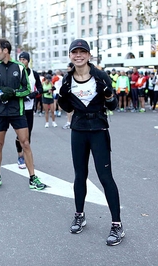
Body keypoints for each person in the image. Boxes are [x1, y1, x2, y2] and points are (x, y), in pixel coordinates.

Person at [58, 39, 125, 246]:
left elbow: (112, 105)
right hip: (78, 130)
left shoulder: (100, 76)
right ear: (70, 56)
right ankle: (80, 215)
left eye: (82, 52)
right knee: (80, 175)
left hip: (98, 129)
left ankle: (117, 225)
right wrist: (61, 98)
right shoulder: (67, 79)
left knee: (105, 177)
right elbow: (66, 107)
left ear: (89, 55)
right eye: (74, 52)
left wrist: (107, 95)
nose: (78, 55)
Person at [0, 38, 45, 190]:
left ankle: (32, 177)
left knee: (25, 143)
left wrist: (14, 94)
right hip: (0, 112)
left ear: (5, 51)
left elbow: (27, 89)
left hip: (18, 112)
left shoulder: (20, 67)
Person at [15, 51, 43, 169]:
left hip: (29, 107)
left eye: (24, 59)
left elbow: (40, 89)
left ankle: (27, 156)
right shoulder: (15, 73)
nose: (22, 62)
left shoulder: (34, 74)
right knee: (19, 135)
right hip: (18, 108)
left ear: (28, 61)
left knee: (28, 134)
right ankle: (20, 155)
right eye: (20, 59)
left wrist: (33, 94)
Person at [63, 62, 74, 129]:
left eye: (68, 67)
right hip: (68, 94)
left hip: (75, 94)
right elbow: (63, 84)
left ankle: (73, 122)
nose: (67, 69)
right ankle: (68, 122)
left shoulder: (77, 75)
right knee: (68, 109)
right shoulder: (66, 75)